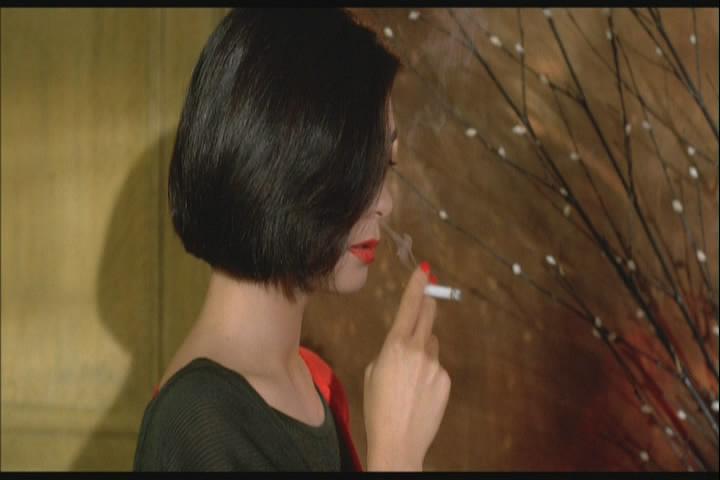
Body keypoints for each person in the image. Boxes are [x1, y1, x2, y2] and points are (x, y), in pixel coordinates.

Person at [133, 8, 451, 471]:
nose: (384, 203)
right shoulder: (196, 425)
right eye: (361, 169)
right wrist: (397, 451)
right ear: (282, 162)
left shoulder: (312, 384)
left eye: (386, 167)